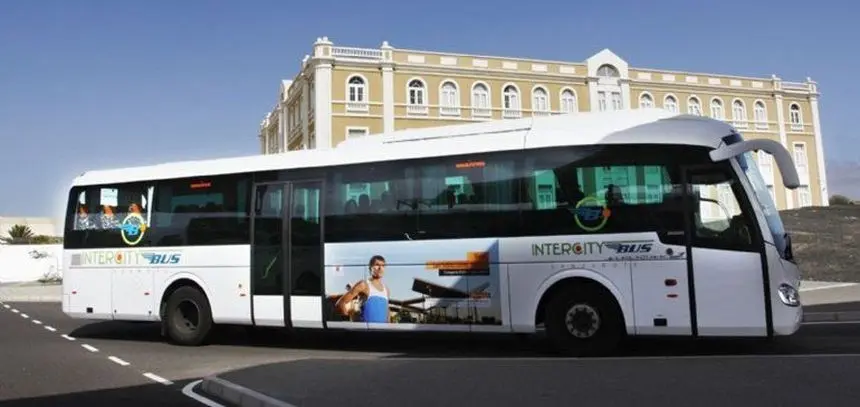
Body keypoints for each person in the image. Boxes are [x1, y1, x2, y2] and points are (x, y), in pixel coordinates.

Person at [335, 255, 390, 323]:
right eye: (377, 265)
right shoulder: (363, 285)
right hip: (364, 331)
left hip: (382, 332)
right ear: (370, 268)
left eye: (383, 266)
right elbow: (340, 303)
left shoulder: (386, 290)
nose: (380, 268)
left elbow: (387, 314)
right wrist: (349, 322)